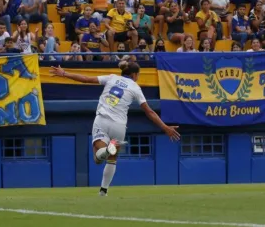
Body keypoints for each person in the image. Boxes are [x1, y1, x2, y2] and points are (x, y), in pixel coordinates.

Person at [49, 60, 180, 196]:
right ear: (135, 75)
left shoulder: (111, 78)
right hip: (119, 125)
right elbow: (149, 111)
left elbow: (86, 79)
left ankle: (105, 150)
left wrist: (64, 73)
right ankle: (103, 191)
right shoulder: (135, 87)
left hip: (102, 120)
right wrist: (165, 127)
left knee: (97, 159)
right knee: (112, 159)